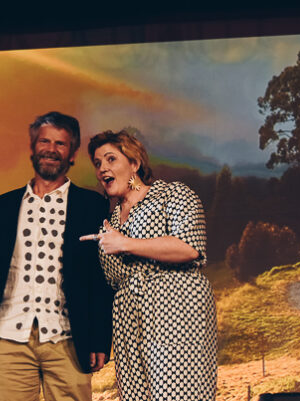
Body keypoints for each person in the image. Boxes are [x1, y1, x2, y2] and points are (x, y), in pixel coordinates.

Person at [0, 111, 113, 401]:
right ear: (33, 148)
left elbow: (99, 278)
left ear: (72, 154)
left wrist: (100, 339)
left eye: (60, 143)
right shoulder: (4, 205)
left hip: (69, 339)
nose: (51, 149)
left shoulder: (91, 205)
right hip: (8, 339)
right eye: (44, 141)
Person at [81, 130, 218, 400]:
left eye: (110, 159)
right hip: (128, 324)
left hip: (175, 312)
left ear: (134, 163)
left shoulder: (172, 195)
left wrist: (125, 243)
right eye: (97, 163)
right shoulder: (109, 222)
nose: (102, 168)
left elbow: (189, 247)